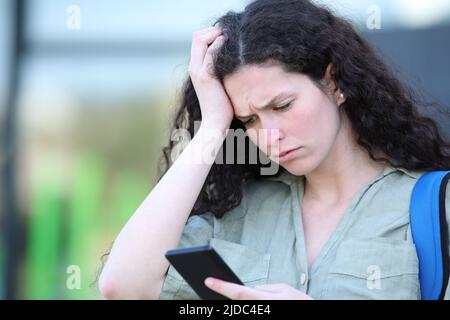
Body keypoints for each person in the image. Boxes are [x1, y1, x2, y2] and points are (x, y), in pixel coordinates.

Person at [98, 0, 450, 300]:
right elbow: (123, 284)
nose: (269, 135)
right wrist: (212, 126)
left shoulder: (434, 206)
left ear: (334, 82)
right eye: (248, 120)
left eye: (282, 106)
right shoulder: (237, 215)